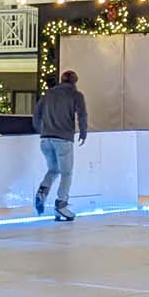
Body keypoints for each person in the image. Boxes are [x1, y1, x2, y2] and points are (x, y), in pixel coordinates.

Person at [33, 70, 88, 222]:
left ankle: (42, 192)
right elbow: (82, 115)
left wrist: (40, 130)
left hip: (45, 139)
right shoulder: (76, 95)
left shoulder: (48, 94)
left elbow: (36, 113)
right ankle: (61, 204)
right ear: (75, 82)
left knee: (53, 170)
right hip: (63, 139)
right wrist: (83, 132)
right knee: (66, 173)